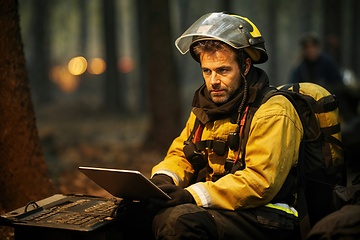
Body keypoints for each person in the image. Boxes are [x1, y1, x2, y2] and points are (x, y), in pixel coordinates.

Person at [119, 12, 303, 240]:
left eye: (223, 70)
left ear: (245, 67)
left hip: (269, 216)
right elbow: (182, 153)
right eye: (207, 71)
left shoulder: (274, 110)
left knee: (179, 222)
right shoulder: (206, 107)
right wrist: (163, 181)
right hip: (220, 207)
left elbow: (259, 182)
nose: (213, 81)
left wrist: (191, 196)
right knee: (131, 214)